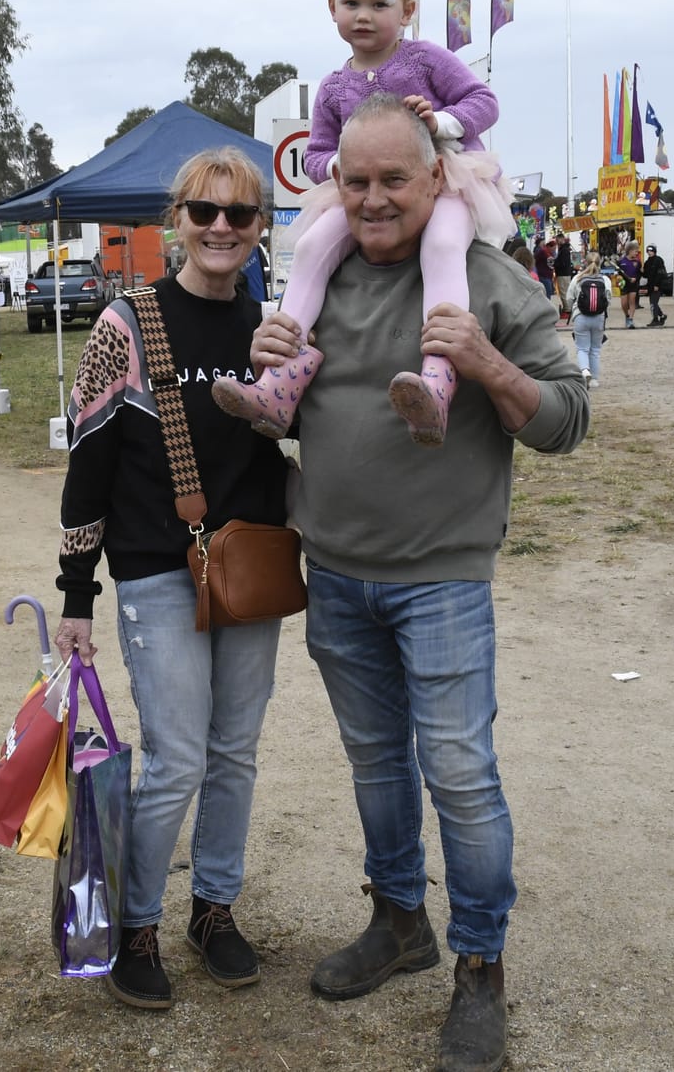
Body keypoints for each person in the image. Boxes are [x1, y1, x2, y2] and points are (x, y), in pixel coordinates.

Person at [245, 95, 587, 1072]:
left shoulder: (483, 278)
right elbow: (277, 421)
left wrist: (485, 364)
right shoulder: (320, 269)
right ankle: (400, 922)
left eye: (394, 179)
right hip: (336, 574)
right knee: (376, 765)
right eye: (353, 180)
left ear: (438, 178)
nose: (372, 199)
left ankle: (479, 972)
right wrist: (268, 369)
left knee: (460, 777)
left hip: (439, 581)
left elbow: (566, 417)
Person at [51, 147, 290, 1012]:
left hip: (253, 567)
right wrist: (76, 594)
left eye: (240, 214)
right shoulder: (128, 322)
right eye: (205, 211)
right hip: (158, 570)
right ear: (174, 222)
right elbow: (88, 460)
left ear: (261, 226)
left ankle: (213, 909)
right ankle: (137, 923)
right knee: (178, 758)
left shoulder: (270, 325)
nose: (221, 227)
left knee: (234, 754)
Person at [216, 0, 510, 449]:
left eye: (380, 3)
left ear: (408, 9)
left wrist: (442, 122)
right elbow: (315, 155)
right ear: (332, 8)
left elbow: (483, 101)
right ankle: (279, 381)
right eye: (352, 1)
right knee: (308, 247)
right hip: (361, 193)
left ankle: (438, 380)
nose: (364, 14)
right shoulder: (333, 86)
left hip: (446, 180)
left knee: (442, 246)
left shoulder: (424, 59)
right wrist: (339, 170)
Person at [570, 253, 609, 386]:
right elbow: (608, 298)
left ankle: (585, 370)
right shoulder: (605, 280)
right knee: (595, 349)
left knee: (582, 348)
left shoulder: (578, 278)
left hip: (580, 316)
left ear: (585, 263)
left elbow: (569, 298)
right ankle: (594, 379)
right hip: (598, 317)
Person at [641, 245, 669, 326]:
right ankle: (662, 316)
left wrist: (657, 285)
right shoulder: (647, 262)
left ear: (654, 251)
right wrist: (642, 271)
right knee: (653, 303)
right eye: (648, 251)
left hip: (658, 286)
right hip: (650, 285)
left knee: (653, 303)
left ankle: (655, 319)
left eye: (651, 251)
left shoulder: (658, 260)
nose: (649, 252)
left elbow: (661, 273)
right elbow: (646, 275)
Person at [615, 245, 641, 329]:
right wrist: (619, 279)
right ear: (630, 251)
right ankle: (627, 315)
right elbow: (617, 274)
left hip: (633, 284)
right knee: (624, 303)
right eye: (635, 251)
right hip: (624, 285)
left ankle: (630, 319)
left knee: (632, 301)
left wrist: (636, 278)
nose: (637, 253)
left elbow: (639, 273)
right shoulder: (621, 261)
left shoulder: (637, 262)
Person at [552, 237, 574, 317]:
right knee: (564, 292)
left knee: (564, 292)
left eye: (558, 239)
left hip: (563, 274)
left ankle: (567, 310)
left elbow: (563, 263)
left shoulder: (564, 250)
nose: (557, 241)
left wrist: (555, 264)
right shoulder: (563, 249)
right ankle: (566, 308)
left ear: (562, 240)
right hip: (564, 273)